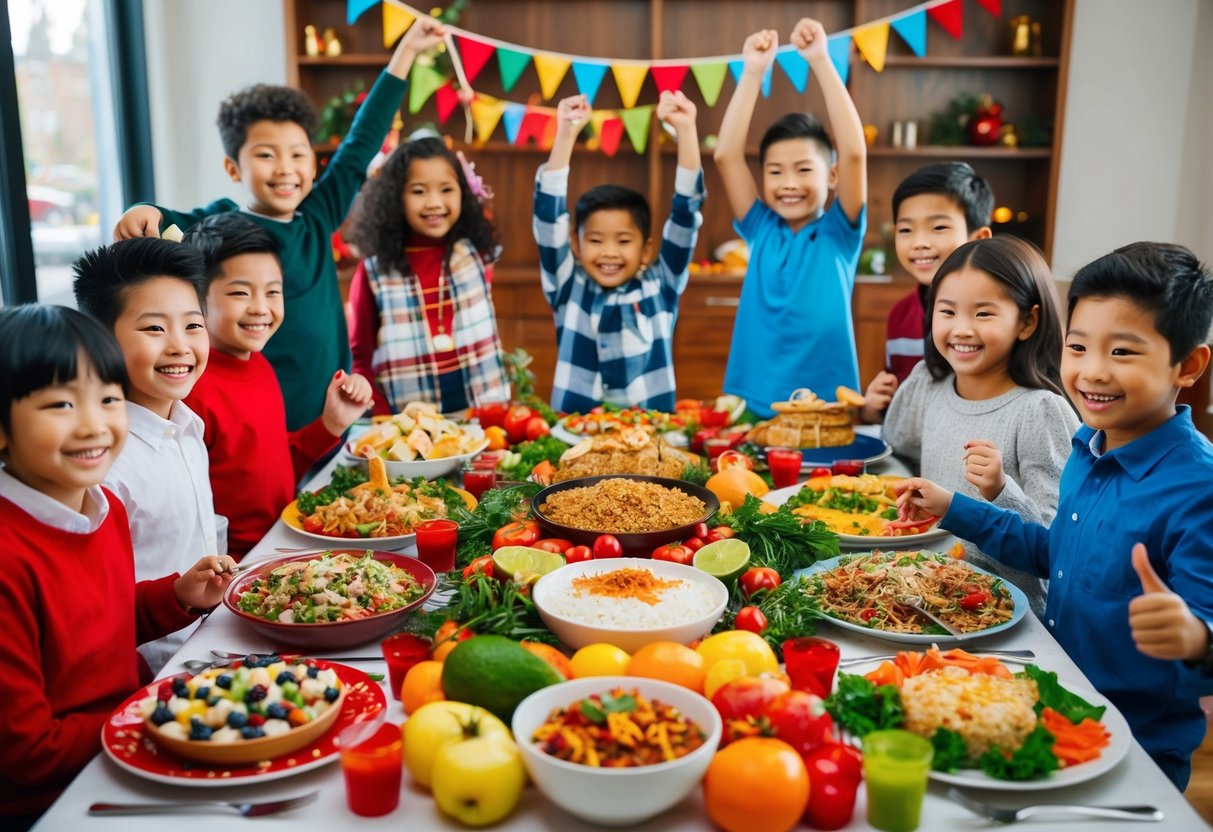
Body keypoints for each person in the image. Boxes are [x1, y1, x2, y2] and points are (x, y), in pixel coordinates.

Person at [895, 241, 1213, 789]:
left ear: (1187, 365)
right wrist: (955, 508)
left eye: (1122, 353)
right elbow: (1052, 556)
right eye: (1079, 347)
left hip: (1137, 742)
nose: (1092, 373)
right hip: (1055, 694)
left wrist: (1195, 636)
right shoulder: (1088, 447)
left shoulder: (1198, 486)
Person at [111, 19, 448, 430]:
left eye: (297, 154)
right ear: (233, 167)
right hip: (263, 420)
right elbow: (163, 221)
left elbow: (362, 142)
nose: (286, 169)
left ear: (313, 160)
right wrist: (141, 209)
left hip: (335, 416)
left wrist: (407, 52)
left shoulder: (318, 212)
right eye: (267, 156)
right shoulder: (221, 225)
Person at [0, 305, 233, 825]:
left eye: (108, 399)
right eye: (61, 404)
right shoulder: (9, 557)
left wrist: (172, 598)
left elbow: (96, 626)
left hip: (128, 746)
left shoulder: (105, 511)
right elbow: (27, 750)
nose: (94, 424)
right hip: (60, 800)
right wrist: (156, 708)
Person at [883, 236, 1077, 613]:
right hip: (923, 593)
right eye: (948, 311)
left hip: (1008, 611)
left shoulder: (1040, 411)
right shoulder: (928, 382)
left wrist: (1000, 489)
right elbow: (895, 451)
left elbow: (1055, 546)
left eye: (983, 313)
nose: (962, 329)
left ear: (1027, 321)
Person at [183, 214, 373, 557]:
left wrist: (331, 423)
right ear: (196, 298)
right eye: (240, 292)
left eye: (273, 292)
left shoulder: (261, 365)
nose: (261, 308)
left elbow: (277, 463)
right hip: (236, 563)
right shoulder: (191, 390)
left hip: (284, 539)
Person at [72, 238, 218, 672]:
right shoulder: (104, 464)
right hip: (156, 670)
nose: (179, 346)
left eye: (193, 325)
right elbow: (97, 608)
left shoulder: (189, 428)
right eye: (154, 329)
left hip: (214, 639)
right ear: (102, 341)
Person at [714, 19, 866, 418]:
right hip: (755, 398)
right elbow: (726, 155)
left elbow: (853, 153)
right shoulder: (761, 228)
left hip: (827, 402)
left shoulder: (839, 231)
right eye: (776, 171)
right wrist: (751, 73)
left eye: (803, 169)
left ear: (832, 176)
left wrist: (820, 61)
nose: (788, 183)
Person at [533, 90, 704, 413]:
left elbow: (686, 213)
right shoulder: (568, 285)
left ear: (645, 250)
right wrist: (567, 133)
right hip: (576, 439)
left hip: (651, 439)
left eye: (624, 241)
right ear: (576, 244)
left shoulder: (662, 284)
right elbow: (548, 218)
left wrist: (685, 130)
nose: (609, 252)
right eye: (596, 241)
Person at [347, 138, 507, 415]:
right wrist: (382, 415)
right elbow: (360, 355)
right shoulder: (374, 271)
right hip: (410, 422)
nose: (434, 203)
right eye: (419, 191)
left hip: (483, 414)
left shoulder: (476, 253)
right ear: (395, 197)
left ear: (464, 194)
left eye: (446, 189)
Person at [860, 162, 993, 424]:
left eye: (939, 227)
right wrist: (872, 409)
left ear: (979, 238)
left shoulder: (994, 318)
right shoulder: (899, 315)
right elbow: (896, 403)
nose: (920, 242)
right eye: (906, 230)